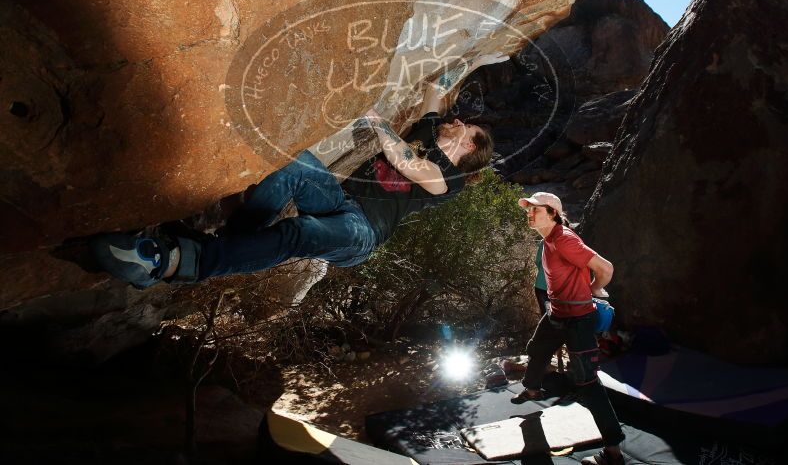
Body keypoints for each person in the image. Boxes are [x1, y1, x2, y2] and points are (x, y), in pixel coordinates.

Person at [90, 53, 507, 288]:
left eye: (464, 127)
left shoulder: (446, 182)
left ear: (469, 147)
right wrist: (464, 57)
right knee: (294, 164)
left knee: (300, 234)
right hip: (340, 199)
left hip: (362, 234)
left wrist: (375, 117)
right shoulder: (433, 131)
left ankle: (172, 261)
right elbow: (436, 95)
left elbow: (404, 162)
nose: (456, 121)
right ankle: (230, 244)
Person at [513, 192, 625, 465]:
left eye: (535, 209)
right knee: (537, 349)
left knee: (587, 383)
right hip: (558, 313)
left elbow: (605, 268)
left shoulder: (564, 240)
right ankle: (532, 389)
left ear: (551, 213)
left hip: (578, 320)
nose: (529, 213)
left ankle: (613, 453)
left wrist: (594, 288)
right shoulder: (550, 238)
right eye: (528, 208)